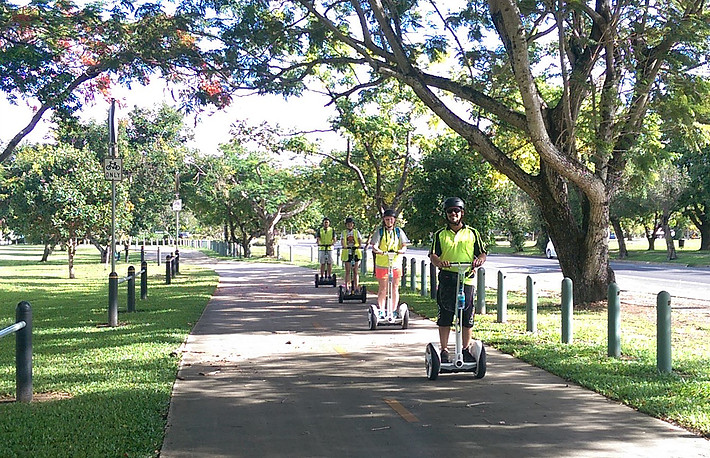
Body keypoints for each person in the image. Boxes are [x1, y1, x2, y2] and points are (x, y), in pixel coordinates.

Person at [428, 197, 487, 363]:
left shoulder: (472, 233)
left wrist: (479, 260)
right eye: (450, 211)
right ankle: (445, 350)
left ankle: (465, 349)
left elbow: (482, 253)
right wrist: (440, 262)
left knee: (467, 316)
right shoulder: (440, 234)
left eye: (456, 211)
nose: (453, 214)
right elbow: (433, 255)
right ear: (446, 214)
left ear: (462, 213)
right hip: (447, 278)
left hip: (466, 279)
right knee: (446, 315)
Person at [369, 209, 409, 311]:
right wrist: (379, 251)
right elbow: (374, 245)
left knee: (395, 287)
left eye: (391, 219)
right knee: (383, 288)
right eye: (387, 219)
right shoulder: (380, 231)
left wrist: (401, 250)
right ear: (384, 220)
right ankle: (382, 310)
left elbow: (404, 245)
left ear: (394, 220)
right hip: (382, 264)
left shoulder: (399, 231)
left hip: (396, 264)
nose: (389, 221)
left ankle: (393, 310)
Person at [341, 217, 364, 291]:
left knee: (355, 271)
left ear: (353, 224)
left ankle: (356, 286)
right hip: (347, 252)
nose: (349, 225)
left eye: (351, 224)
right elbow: (342, 240)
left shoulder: (356, 232)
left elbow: (360, 240)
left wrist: (359, 246)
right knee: (348, 270)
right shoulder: (344, 232)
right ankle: (347, 287)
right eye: (348, 224)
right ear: (346, 225)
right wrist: (345, 246)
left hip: (356, 252)